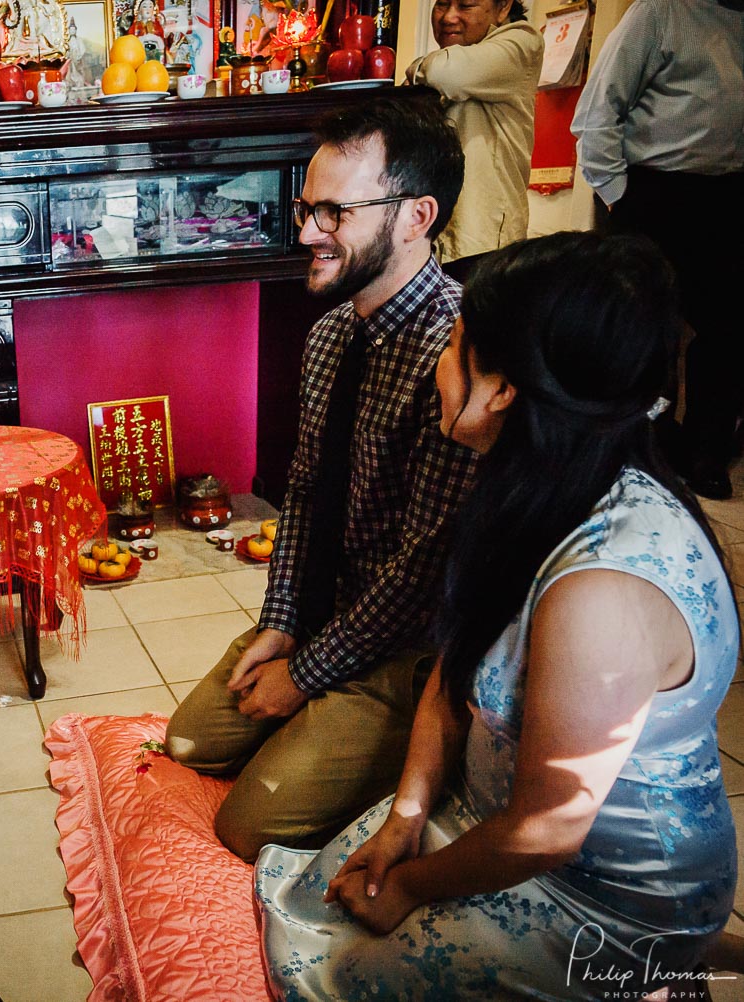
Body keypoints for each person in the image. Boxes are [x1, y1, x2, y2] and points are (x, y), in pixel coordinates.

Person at [255, 231, 738, 1000]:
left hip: (599, 888)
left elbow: (547, 828)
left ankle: (664, 964)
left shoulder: (601, 590)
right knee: (321, 896)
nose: (438, 368)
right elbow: (456, 658)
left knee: (349, 977)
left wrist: (415, 887)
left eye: (453, 347)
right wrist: (408, 813)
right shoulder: (535, 486)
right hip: (494, 816)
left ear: (504, 390)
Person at [165, 97, 478, 862]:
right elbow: (304, 496)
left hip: (407, 651)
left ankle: (399, 752)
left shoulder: (458, 348)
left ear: (415, 216)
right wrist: (281, 624)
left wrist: (305, 676)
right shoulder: (335, 330)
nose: (306, 232)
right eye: (308, 207)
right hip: (326, 612)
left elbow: (420, 576)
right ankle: (324, 726)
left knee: (248, 827)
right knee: (186, 742)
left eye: (334, 212)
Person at [571, 0, 744, 500]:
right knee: (646, 329)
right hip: (655, 192)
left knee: (730, 327)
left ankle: (707, 449)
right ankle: (641, 450)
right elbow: (597, 113)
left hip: (729, 196)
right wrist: (621, 199)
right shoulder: (660, 10)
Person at [403, 0, 542, 276]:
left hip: (483, 242)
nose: (449, 17)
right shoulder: (459, 58)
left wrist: (415, 69)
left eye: (466, 5)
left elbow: (446, 72)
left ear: (503, 8)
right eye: (442, 4)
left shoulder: (521, 41)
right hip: (437, 238)